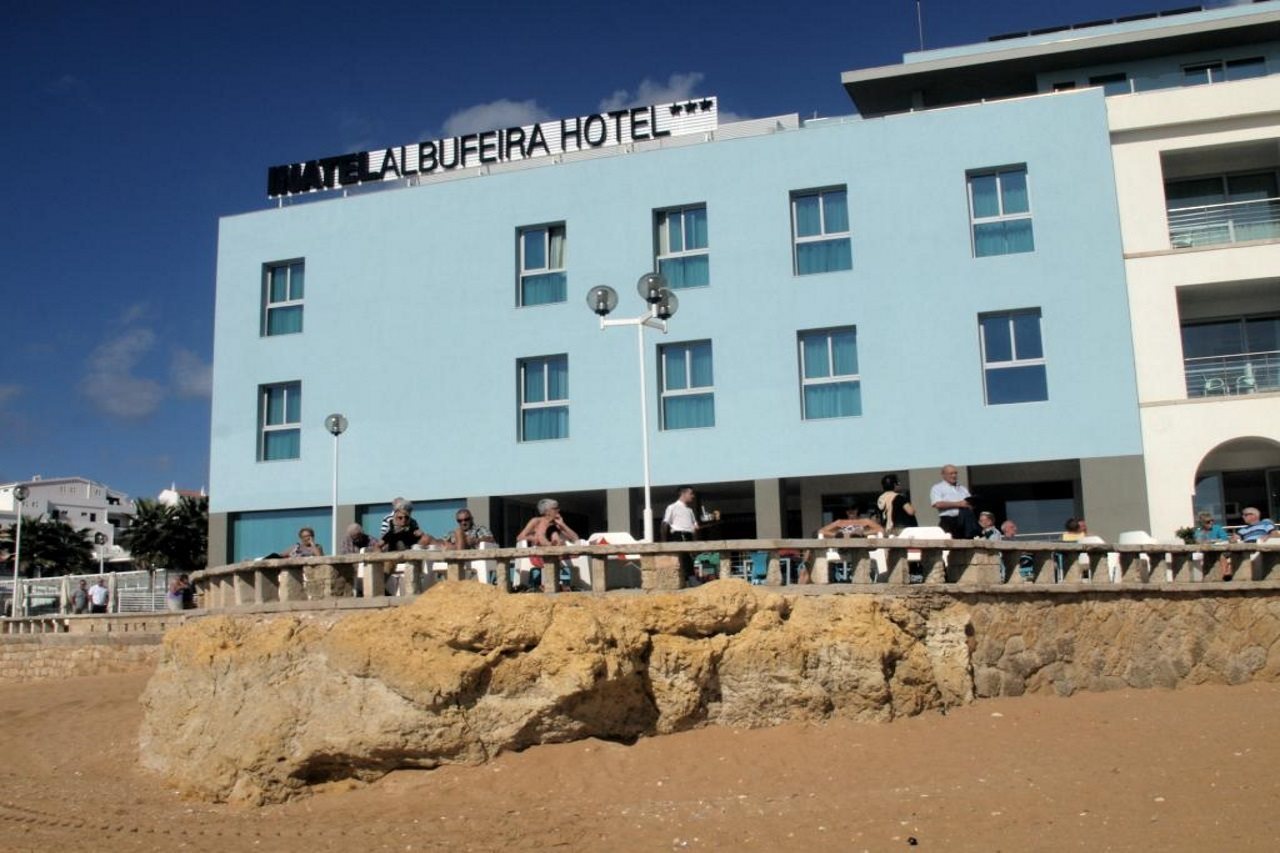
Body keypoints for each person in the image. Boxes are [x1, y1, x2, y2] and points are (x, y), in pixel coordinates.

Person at [516, 498, 581, 591]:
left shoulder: (557, 524)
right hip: (540, 554)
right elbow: (520, 537)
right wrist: (535, 539)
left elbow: (575, 538)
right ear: (547, 511)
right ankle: (551, 585)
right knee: (551, 549)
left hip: (557, 554)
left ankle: (559, 586)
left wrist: (562, 524)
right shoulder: (536, 521)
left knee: (564, 548)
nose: (558, 510)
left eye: (558, 508)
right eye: (555, 508)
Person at [661, 487, 700, 583]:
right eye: (691, 493)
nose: (693, 496)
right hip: (679, 535)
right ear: (683, 494)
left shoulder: (689, 510)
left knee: (690, 557)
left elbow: (694, 525)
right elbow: (665, 524)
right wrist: (663, 542)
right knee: (685, 557)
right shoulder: (672, 507)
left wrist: (695, 529)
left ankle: (688, 579)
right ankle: (691, 579)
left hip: (689, 535)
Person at [930, 465, 979, 538]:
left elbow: (970, 503)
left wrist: (971, 505)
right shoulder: (937, 488)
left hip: (964, 521)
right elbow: (938, 504)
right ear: (943, 475)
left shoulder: (962, 488)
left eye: (955, 473)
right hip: (948, 521)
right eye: (951, 473)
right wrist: (959, 504)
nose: (954, 475)